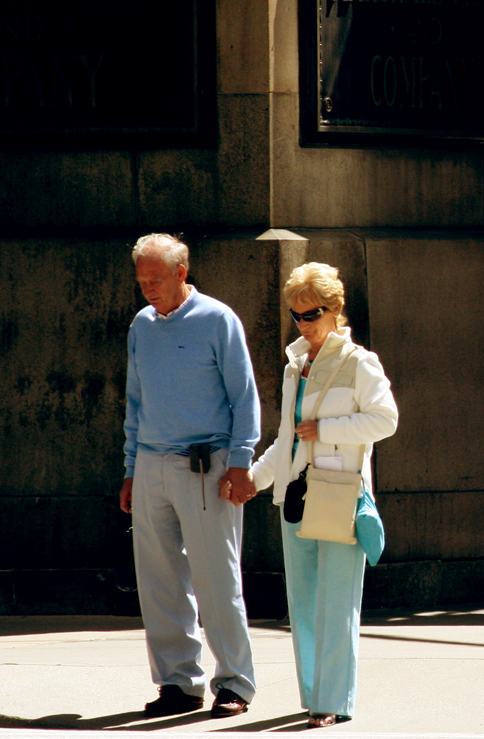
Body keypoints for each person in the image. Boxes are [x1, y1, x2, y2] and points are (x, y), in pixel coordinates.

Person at [247, 262, 398, 728]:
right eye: (296, 315)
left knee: (337, 602)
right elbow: (285, 437)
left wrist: (327, 428)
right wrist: (253, 480)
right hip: (296, 495)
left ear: (335, 310)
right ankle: (315, 696)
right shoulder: (297, 363)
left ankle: (333, 701)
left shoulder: (359, 362)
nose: (304, 324)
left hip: (339, 494)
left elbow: (385, 419)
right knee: (305, 604)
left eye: (311, 314)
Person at [119, 233, 260, 718]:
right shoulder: (141, 325)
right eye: (141, 282)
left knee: (217, 579)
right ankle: (179, 683)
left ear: (182, 272)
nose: (148, 290)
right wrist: (131, 468)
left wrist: (241, 463)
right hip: (152, 462)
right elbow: (135, 400)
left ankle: (235, 682)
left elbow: (244, 397)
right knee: (159, 581)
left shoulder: (218, 319)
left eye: (155, 280)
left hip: (208, 464)